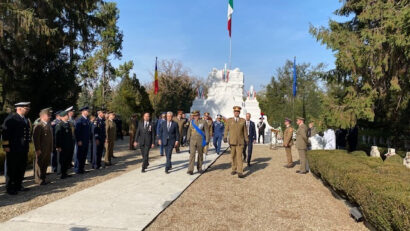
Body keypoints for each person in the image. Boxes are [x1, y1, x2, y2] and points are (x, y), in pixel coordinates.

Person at [1, 102, 32, 195]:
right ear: (19, 108)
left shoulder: (24, 119)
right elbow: (5, 133)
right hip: (13, 148)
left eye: (28, 108)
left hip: (23, 148)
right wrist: (6, 146)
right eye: (26, 108)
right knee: (12, 168)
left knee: (21, 167)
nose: (28, 110)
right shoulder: (11, 118)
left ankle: (18, 185)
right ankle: (10, 187)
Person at [223, 106, 248, 178]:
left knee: (239, 157)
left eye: (238, 112)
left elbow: (245, 131)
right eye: (235, 111)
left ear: (239, 113)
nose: (236, 113)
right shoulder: (229, 120)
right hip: (232, 141)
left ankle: (240, 171)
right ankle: (234, 168)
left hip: (240, 141)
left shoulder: (243, 121)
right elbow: (226, 129)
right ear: (233, 112)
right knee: (233, 156)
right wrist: (225, 136)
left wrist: (246, 139)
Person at [32, 108, 53, 185]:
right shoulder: (39, 125)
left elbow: (50, 138)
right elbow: (36, 139)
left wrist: (51, 147)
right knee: (39, 164)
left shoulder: (48, 125)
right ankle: (38, 179)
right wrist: (37, 149)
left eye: (50, 115)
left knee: (45, 164)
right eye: (48, 115)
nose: (50, 116)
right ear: (43, 116)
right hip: (41, 149)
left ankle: (43, 178)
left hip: (47, 149)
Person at [186, 110, 209, 175]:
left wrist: (207, 140)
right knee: (192, 155)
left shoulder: (203, 122)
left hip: (200, 140)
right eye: (194, 116)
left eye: (197, 115)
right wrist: (188, 138)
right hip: (192, 141)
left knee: (200, 154)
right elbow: (189, 131)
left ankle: (199, 168)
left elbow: (207, 131)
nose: (195, 117)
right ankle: (190, 169)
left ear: (199, 115)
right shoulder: (191, 122)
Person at [55, 111, 74, 179]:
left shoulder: (69, 124)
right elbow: (57, 136)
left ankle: (65, 172)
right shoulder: (59, 125)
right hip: (63, 146)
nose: (68, 116)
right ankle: (62, 174)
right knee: (63, 160)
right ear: (63, 117)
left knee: (68, 159)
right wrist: (58, 146)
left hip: (69, 145)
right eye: (66, 115)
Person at [74, 106, 91, 174]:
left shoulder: (87, 120)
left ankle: (82, 168)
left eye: (88, 111)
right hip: (81, 141)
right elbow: (77, 132)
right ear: (83, 112)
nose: (88, 112)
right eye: (86, 111)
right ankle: (78, 169)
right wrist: (79, 140)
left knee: (84, 155)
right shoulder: (80, 120)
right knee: (79, 155)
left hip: (86, 141)